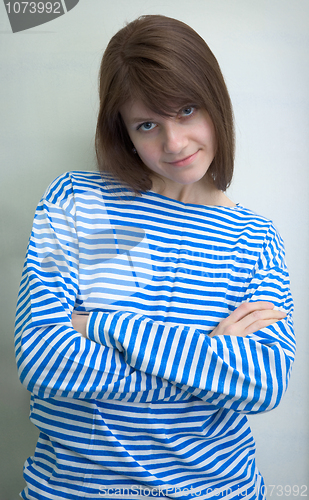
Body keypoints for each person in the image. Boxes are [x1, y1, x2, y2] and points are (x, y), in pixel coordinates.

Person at [15, 14, 295, 500]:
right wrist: (208, 363)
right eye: (148, 124)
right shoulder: (81, 205)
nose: (175, 143)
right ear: (123, 132)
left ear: (215, 103)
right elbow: (44, 360)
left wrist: (102, 326)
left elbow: (262, 382)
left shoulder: (254, 236)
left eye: (187, 110)